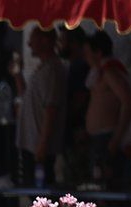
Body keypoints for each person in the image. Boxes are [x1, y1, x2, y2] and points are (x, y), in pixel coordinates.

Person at [10, 27, 66, 189]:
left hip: (38, 145)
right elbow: (28, 97)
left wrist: (42, 144)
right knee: (31, 186)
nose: (28, 44)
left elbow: (51, 109)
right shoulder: (43, 69)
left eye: (32, 40)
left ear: (45, 41)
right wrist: (17, 75)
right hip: (31, 142)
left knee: (39, 189)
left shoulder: (52, 71)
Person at [83, 31, 131, 186]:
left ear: (97, 52)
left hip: (107, 139)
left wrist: (115, 139)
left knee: (107, 186)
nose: (85, 57)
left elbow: (128, 103)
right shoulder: (100, 73)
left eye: (87, 53)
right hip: (99, 139)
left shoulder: (110, 73)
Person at [58, 27, 91, 185]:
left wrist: (64, 116)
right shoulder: (73, 66)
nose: (59, 44)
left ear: (74, 44)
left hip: (78, 132)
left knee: (76, 180)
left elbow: (80, 98)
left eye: (63, 41)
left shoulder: (80, 67)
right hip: (73, 132)